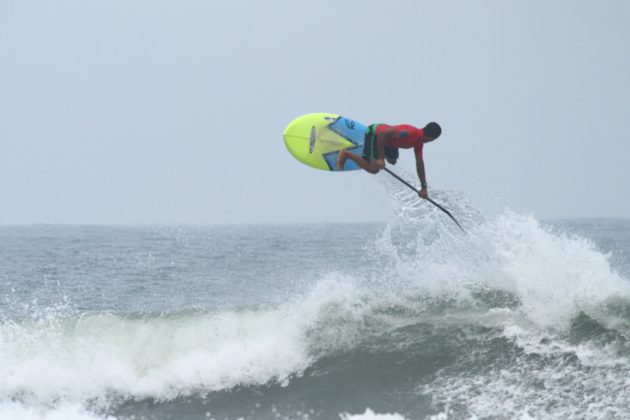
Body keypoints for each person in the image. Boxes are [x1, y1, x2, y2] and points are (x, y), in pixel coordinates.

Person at [336, 121, 442, 198]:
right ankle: (346, 154)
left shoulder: (419, 143)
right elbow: (382, 134)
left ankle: (370, 154)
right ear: (432, 138)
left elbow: (419, 163)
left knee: (392, 161)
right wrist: (381, 159)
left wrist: (424, 187)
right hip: (374, 133)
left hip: (388, 143)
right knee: (374, 169)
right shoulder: (409, 133)